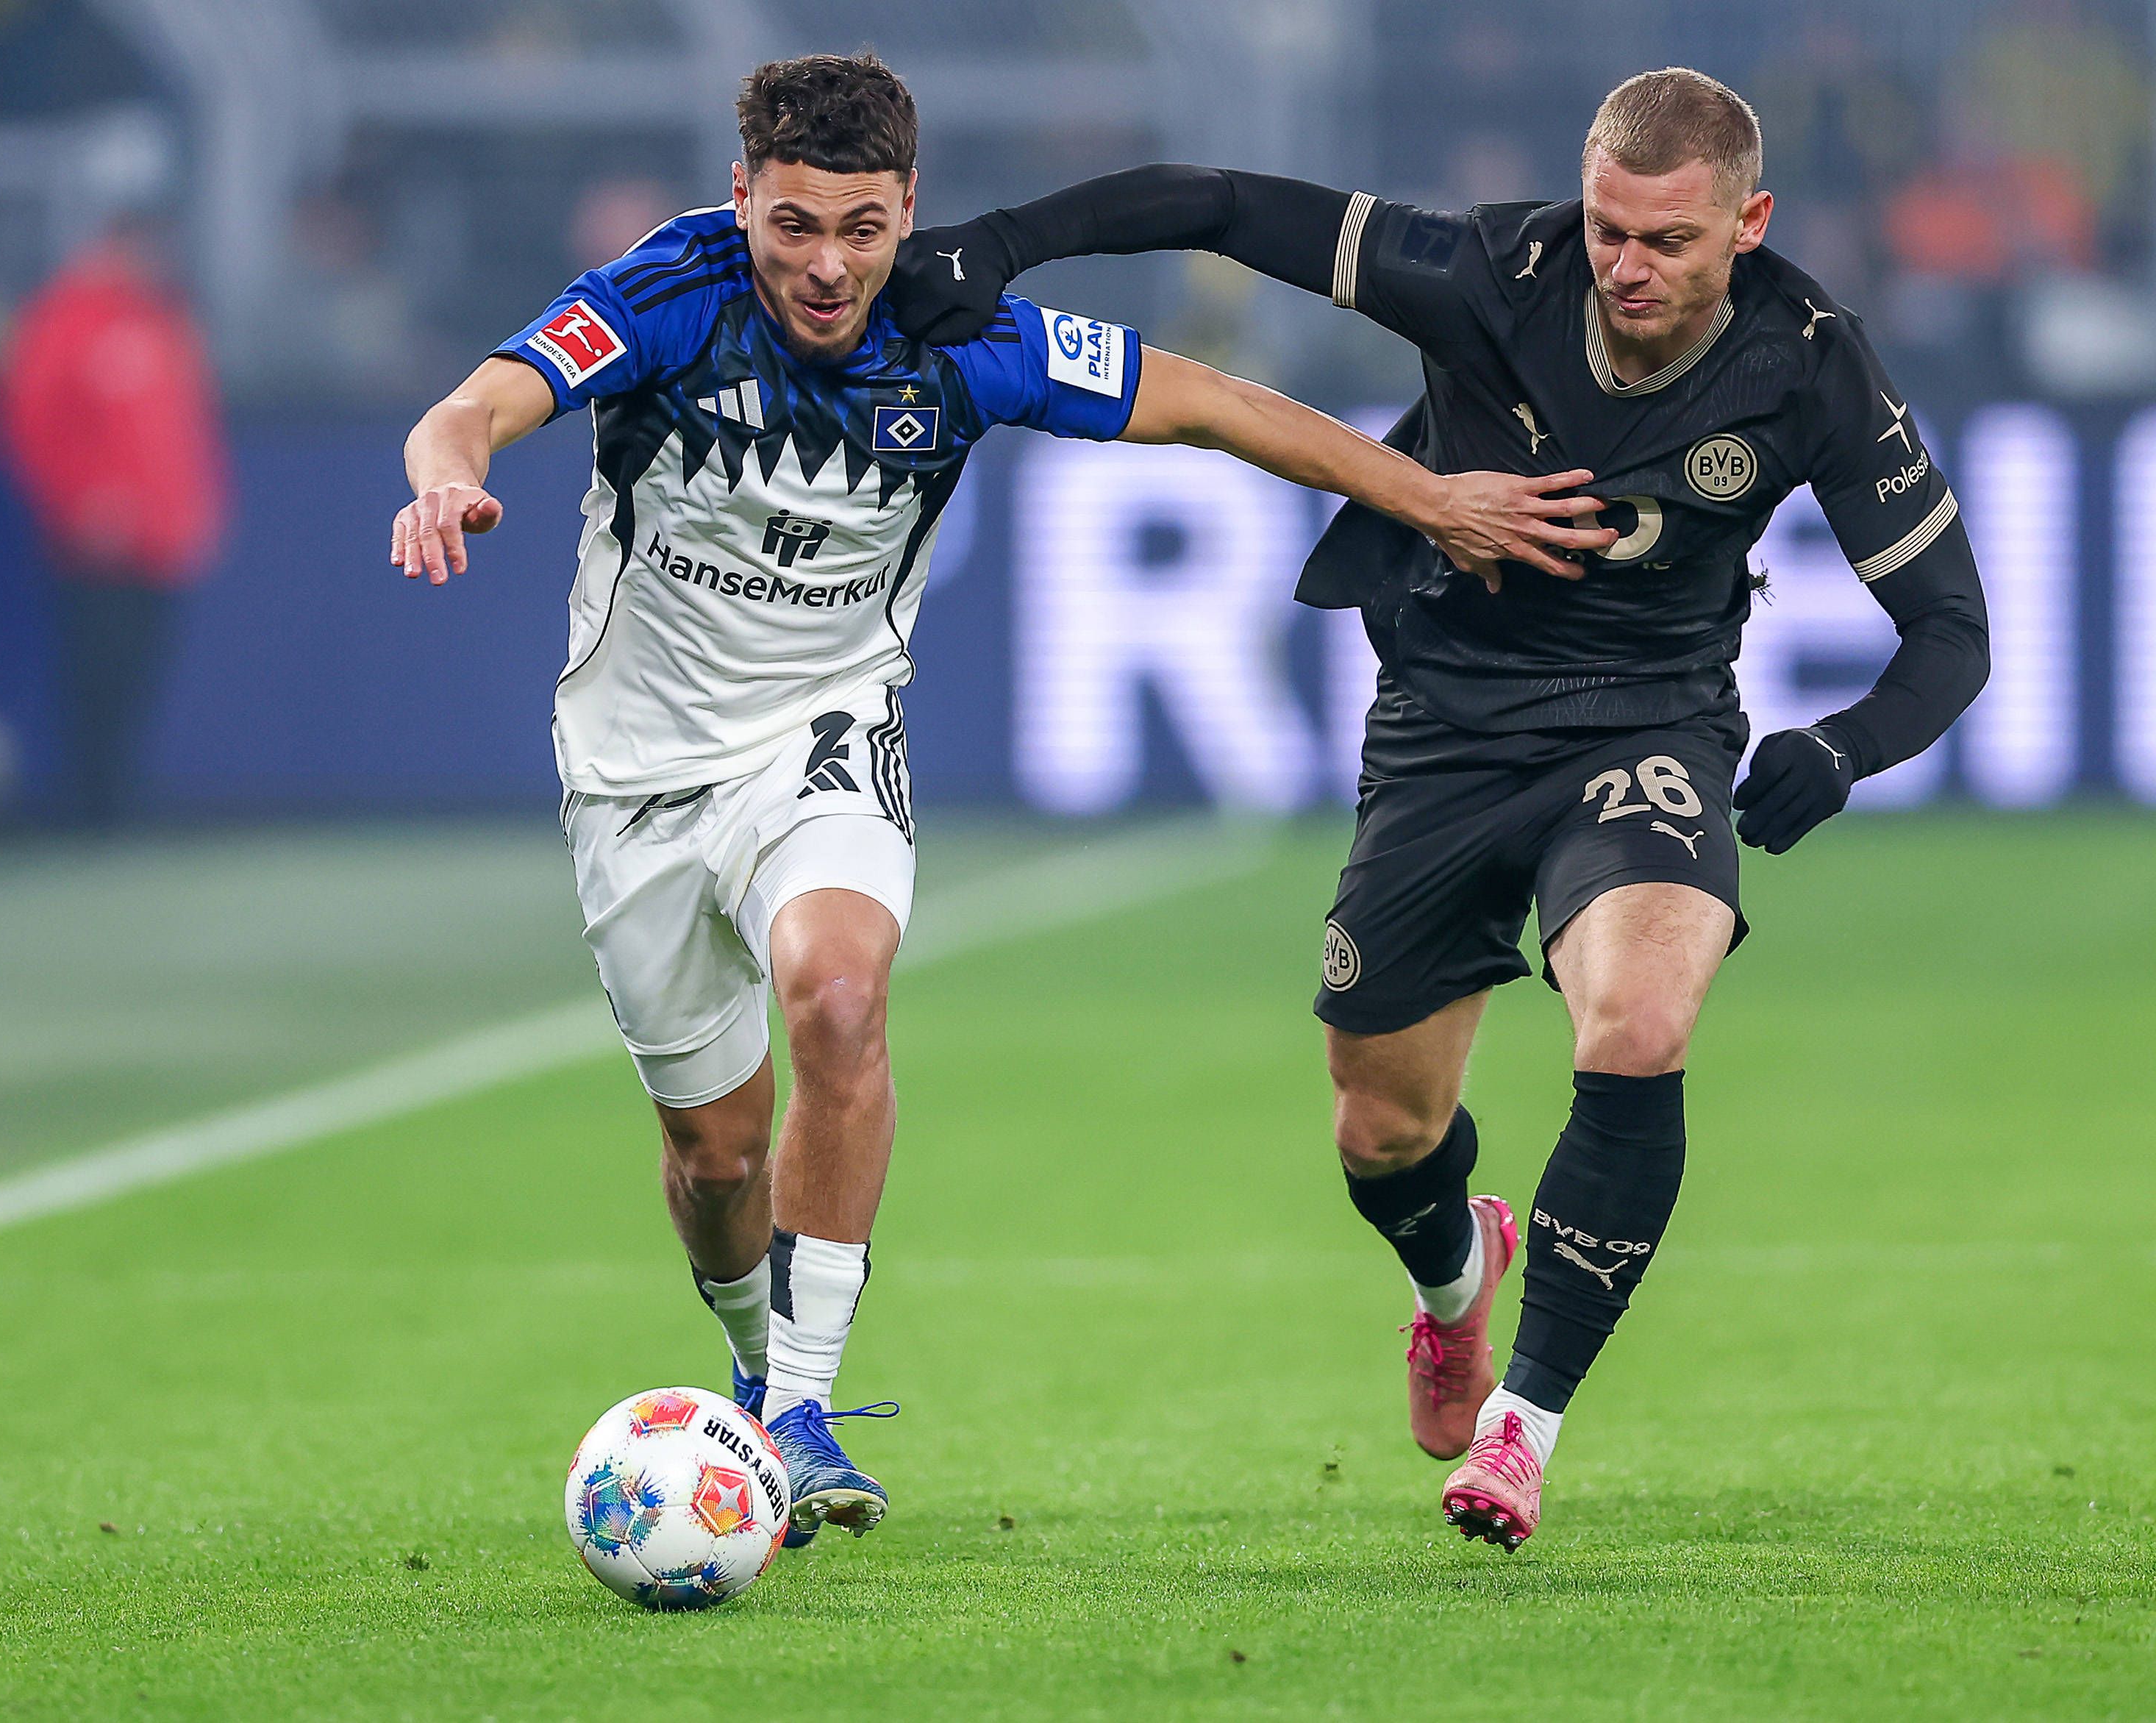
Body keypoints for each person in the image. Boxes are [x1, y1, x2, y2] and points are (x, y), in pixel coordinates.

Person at [388, 53, 1609, 1551]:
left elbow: (1208, 404)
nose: (826, 266)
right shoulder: (661, 297)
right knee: (713, 1159)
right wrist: (445, 477)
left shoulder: (963, 330)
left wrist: (1430, 497)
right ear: (738, 202)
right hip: (633, 773)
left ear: (908, 207)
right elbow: (473, 405)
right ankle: (756, 1357)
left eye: (858, 225)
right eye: (790, 226)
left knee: (837, 999)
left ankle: (800, 1412)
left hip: (822, 733)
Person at [896, 68, 1991, 1548]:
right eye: (1608, 226)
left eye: (1667, 241)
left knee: (1639, 1021)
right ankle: (1451, 1283)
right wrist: (1005, 240)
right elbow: (1222, 206)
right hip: (1444, 732)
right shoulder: (1489, 272)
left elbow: (1946, 628)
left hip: (1647, 726)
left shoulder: (1809, 361)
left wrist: (1846, 746)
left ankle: (1519, 1431)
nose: (1625, 265)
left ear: (1749, 224)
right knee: (1380, 1129)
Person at [0, 222, 228, 826]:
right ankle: (93, 807)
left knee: (138, 678)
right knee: (95, 677)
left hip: (159, 542)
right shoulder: (67, 320)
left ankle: (120, 801)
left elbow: (181, 432)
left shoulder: (160, 321)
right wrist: (80, 502)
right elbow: (29, 425)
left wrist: (193, 512)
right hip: (97, 544)